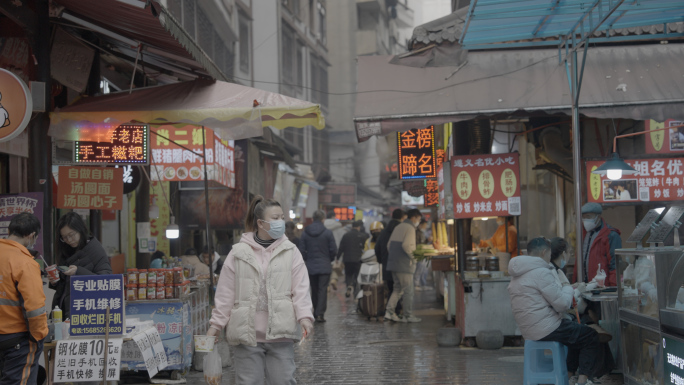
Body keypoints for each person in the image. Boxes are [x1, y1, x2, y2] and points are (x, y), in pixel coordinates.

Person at [207, 196, 313, 385]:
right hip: (247, 335)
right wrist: (216, 325)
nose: (280, 221)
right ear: (261, 223)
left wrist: (304, 316)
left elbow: (301, 287)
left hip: (281, 333)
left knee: (284, 380)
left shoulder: (291, 251)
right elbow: (225, 293)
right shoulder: (238, 252)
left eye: (282, 217)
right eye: (275, 218)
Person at [508, 237, 600, 385]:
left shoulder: (517, 274)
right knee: (590, 336)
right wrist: (567, 286)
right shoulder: (541, 273)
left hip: (528, 329)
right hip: (546, 327)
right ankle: (583, 380)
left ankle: (569, 375)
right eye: (549, 254)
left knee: (577, 333)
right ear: (545, 252)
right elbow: (563, 304)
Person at [0, 213, 48, 385]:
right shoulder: (25, 262)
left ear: (9, 230)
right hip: (17, 341)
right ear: (31, 236)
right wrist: (39, 336)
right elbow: (34, 307)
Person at [51, 212, 112, 319]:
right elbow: (65, 286)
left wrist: (77, 272)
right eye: (64, 237)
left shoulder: (95, 250)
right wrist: (55, 281)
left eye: (71, 235)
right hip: (63, 311)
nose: (69, 240)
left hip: (85, 313)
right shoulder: (67, 249)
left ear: (80, 229)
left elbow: (105, 282)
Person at [384, 209, 423, 323]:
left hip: (393, 264)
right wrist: (414, 258)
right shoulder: (410, 228)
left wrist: (394, 257)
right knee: (408, 291)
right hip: (404, 265)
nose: (419, 222)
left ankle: (389, 312)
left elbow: (389, 245)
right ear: (414, 218)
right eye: (419, 219)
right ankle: (408, 316)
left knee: (398, 289)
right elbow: (407, 245)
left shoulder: (398, 227)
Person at [299, 210, 337, 322]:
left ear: (312, 219)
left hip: (311, 266)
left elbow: (301, 250)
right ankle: (320, 314)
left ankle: (315, 311)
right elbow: (333, 250)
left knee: (314, 289)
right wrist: (328, 259)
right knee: (322, 290)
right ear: (323, 219)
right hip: (324, 266)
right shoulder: (328, 233)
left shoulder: (305, 233)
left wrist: (308, 258)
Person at [575, 203, 621, 287]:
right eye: (583, 217)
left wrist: (614, 289)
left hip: (602, 287)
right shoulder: (583, 233)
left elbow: (615, 265)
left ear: (598, 216)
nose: (585, 220)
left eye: (588, 216)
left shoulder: (611, 235)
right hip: (583, 286)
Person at [375, 209, 406, 303]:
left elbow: (377, 248)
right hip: (399, 264)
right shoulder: (402, 229)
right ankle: (395, 310)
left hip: (387, 264)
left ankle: (391, 311)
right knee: (400, 289)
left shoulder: (384, 231)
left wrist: (381, 260)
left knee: (391, 289)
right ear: (402, 217)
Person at [336, 220, 369, 298]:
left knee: (348, 274)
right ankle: (356, 292)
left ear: (352, 227)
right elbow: (365, 248)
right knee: (357, 275)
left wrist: (337, 257)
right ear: (358, 227)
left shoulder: (346, 235)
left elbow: (341, 248)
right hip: (358, 259)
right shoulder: (362, 236)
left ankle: (349, 286)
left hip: (347, 259)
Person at [414, 219, 431, 291]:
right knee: (419, 269)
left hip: (423, 253)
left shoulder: (422, 232)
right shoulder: (417, 233)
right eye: (424, 225)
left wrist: (427, 241)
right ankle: (416, 285)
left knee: (424, 270)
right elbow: (418, 244)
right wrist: (426, 242)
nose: (425, 226)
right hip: (420, 254)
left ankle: (423, 284)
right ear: (420, 225)